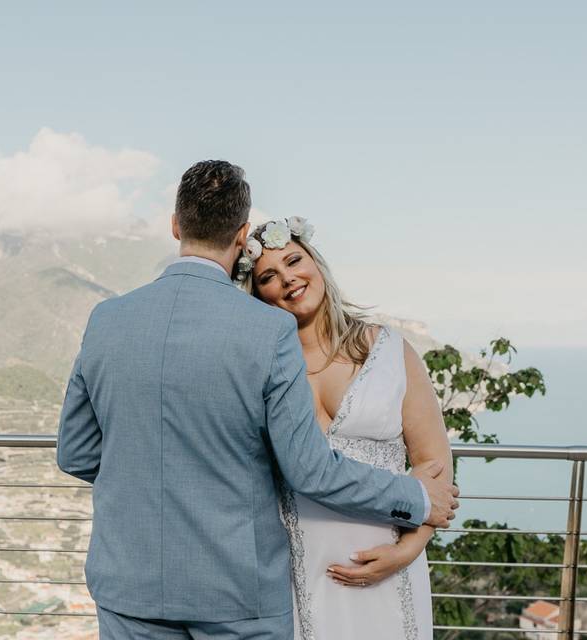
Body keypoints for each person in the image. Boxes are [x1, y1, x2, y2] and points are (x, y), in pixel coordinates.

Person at [56, 160, 459, 639]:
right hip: (236, 591)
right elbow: (308, 468)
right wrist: (415, 497)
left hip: (129, 585)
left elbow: (76, 453)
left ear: (175, 225)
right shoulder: (267, 329)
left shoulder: (107, 319)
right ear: (242, 232)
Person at [236, 217, 453, 640]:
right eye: (268, 277)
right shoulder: (260, 371)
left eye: (294, 260)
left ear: (315, 261)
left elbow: (435, 464)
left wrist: (405, 552)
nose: (288, 279)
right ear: (258, 293)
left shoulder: (389, 349)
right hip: (293, 574)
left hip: (389, 567)